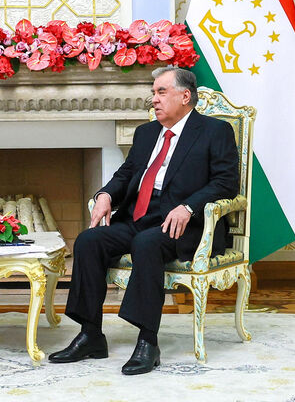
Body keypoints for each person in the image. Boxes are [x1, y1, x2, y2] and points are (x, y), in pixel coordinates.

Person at [49, 65, 238, 375]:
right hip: (139, 215)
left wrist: (189, 207)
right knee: (89, 240)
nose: (154, 99)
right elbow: (126, 175)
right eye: (153, 93)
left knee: (146, 242)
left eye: (162, 92)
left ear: (185, 96)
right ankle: (90, 335)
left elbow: (225, 182)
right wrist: (106, 195)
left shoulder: (214, 131)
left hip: (184, 224)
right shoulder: (146, 133)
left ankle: (148, 342)